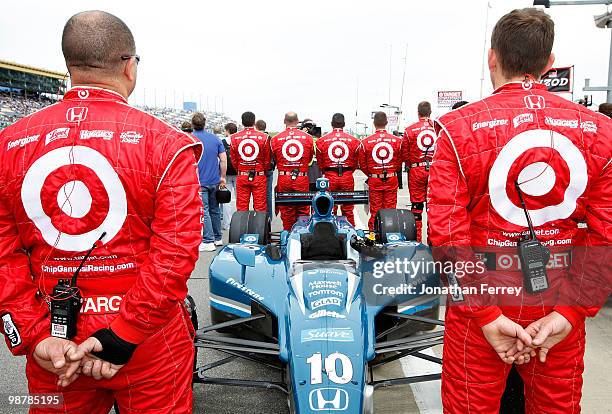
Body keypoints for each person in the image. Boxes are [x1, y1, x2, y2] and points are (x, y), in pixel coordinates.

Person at [0, 11, 202, 414]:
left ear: (70, 66)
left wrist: (33, 334)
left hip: (56, 347)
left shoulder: (8, 144)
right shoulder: (167, 144)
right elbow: (176, 254)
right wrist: (124, 334)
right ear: (130, 66)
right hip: (148, 341)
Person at [427, 8, 612, 413]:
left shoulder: (456, 129)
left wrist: (488, 316)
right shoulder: (601, 130)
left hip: (481, 297)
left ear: (491, 58)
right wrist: (572, 311)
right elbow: (607, 236)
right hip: (560, 293)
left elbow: (446, 235)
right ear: (549, 64)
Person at [357, 111, 403, 229]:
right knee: (390, 210)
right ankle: (390, 234)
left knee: (375, 210)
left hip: (374, 179)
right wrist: (392, 171)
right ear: (386, 123)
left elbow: (362, 164)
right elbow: (399, 162)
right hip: (391, 178)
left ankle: (373, 236)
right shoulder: (397, 141)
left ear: (374, 123)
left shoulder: (365, 142)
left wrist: (373, 174)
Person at [270, 112, 315, 230]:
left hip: (284, 177)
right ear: (297, 121)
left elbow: (275, 157)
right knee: (303, 209)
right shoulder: (308, 138)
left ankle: (288, 235)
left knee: (286, 210)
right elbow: (310, 159)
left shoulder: (275, 139)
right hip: (301, 177)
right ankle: (302, 235)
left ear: (284, 121)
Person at [315, 113, 360, 225]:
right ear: (344, 124)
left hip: (330, 176)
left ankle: (330, 234)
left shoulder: (321, 141)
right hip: (347, 175)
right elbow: (355, 162)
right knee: (348, 209)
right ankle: (351, 236)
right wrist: (348, 171)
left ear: (331, 124)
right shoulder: (354, 141)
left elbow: (320, 164)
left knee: (330, 209)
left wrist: (327, 172)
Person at [192, 112, 226, 251]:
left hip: (200, 180)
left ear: (193, 124)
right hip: (214, 179)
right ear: (205, 123)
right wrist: (222, 177)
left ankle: (208, 240)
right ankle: (217, 238)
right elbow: (223, 160)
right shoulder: (215, 139)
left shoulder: (190, 139)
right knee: (215, 209)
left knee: (204, 210)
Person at [403, 101, 436, 241]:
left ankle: (417, 241)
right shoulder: (438, 128)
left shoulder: (409, 130)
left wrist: (414, 165)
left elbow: (405, 155)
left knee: (416, 206)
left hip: (417, 170)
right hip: (435, 169)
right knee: (433, 207)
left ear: (418, 113)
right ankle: (433, 240)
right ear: (430, 112)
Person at [230, 112, 271, 212]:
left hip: (242, 175)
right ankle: (259, 227)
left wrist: (241, 169)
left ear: (242, 122)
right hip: (259, 174)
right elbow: (267, 160)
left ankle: (242, 227)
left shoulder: (234, 138)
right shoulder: (264, 137)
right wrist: (262, 170)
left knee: (242, 207)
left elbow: (233, 160)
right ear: (254, 122)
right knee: (260, 207)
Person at [255, 119, 274, 218]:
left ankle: (259, 216)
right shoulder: (270, 138)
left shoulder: (256, 139)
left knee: (258, 196)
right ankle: (269, 216)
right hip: (269, 169)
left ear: (256, 127)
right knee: (268, 194)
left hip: (259, 169)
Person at [221, 122, 238, 230]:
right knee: (240, 199)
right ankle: (240, 222)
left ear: (227, 130)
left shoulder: (222, 142)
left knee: (226, 200)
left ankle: (227, 224)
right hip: (238, 172)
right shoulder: (238, 141)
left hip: (226, 173)